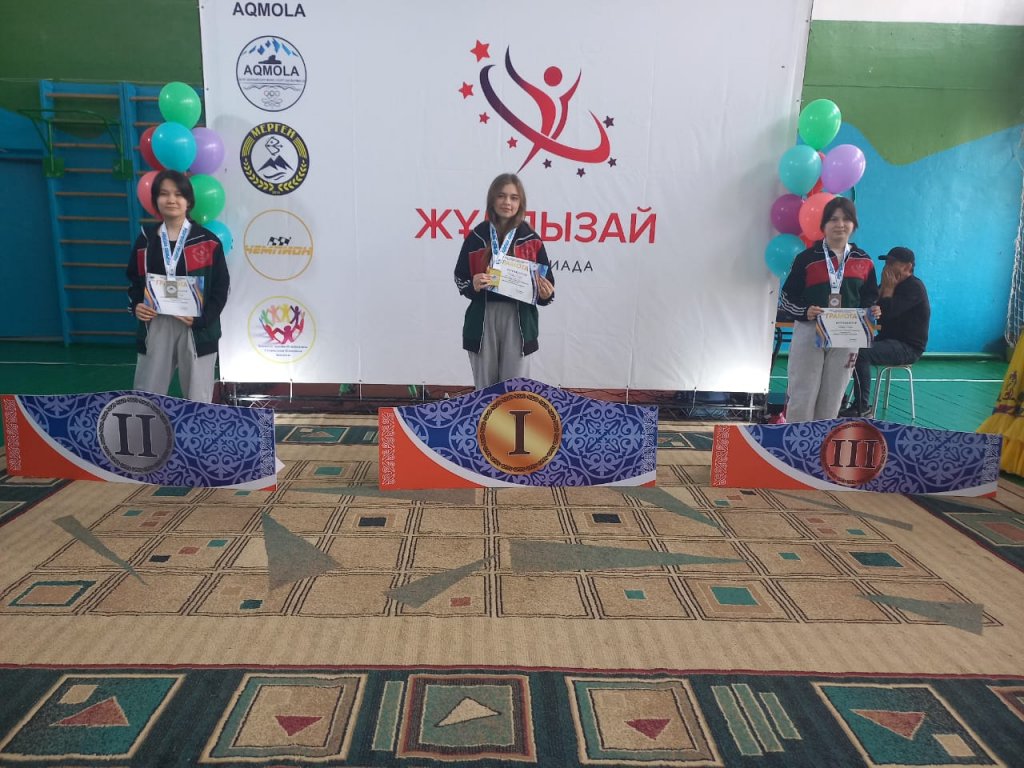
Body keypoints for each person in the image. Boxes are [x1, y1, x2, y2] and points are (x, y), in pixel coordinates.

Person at [126, 170, 230, 403]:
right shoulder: (145, 240)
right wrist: (137, 306)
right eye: (164, 194)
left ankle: (198, 430)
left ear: (188, 201)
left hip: (196, 327)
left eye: (178, 194)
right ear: (156, 200)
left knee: (198, 398)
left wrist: (203, 319)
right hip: (156, 323)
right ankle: (148, 428)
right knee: (147, 396)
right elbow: (134, 281)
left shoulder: (208, 242)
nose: (171, 200)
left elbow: (221, 288)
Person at [779, 197, 879, 422]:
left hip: (847, 332)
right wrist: (805, 311)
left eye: (846, 219)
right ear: (823, 224)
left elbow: (870, 296)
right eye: (833, 219)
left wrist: (872, 310)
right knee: (803, 394)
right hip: (810, 330)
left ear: (854, 224)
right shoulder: (806, 259)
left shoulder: (864, 261)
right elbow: (787, 297)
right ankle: (796, 441)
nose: (840, 224)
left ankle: (822, 441)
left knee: (833, 398)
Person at [454, 173, 555, 389]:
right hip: (483, 318)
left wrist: (546, 293)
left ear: (521, 202)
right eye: (501, 196)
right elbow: (460, 277)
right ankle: (485, 414)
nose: (507, 202)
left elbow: (547, 287)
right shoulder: (477, 236)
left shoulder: (531, 239)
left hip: (519, 320)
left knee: (514, 390)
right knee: (485, 389)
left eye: (513, 197)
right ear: (492, 199)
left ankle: (510, 414)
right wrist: (473, 285)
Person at [840, 246, 930, 416]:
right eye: (886, 263)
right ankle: (840, 399)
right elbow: (872, 308)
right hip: (885, 340)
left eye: (892, 263)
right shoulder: (888, 284)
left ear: (907, 266)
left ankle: (862, 407)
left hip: (908, 347)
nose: (887, 267)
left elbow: (887, 314)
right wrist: (880, 292)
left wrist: (887, 291)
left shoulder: (914, 287)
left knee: (861, 352)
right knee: (845, 346)